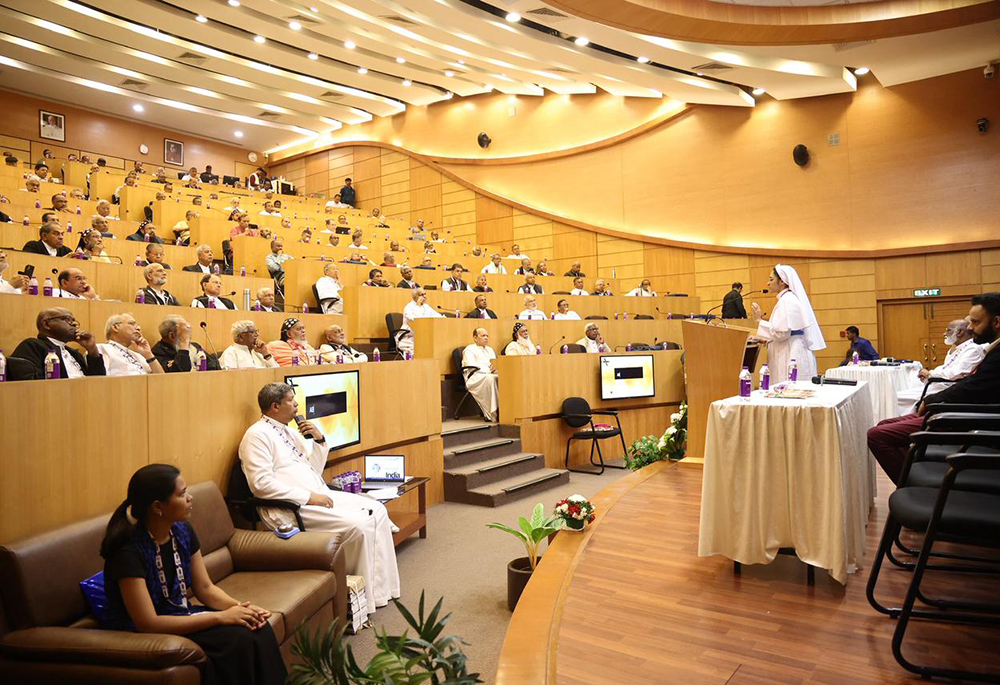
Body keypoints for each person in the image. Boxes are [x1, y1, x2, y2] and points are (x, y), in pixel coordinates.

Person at [100, 464, 286, 685]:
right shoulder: (128, 552)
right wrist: (219, 617)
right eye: (182, 494)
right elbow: (147, 623)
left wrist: (240, 608)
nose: (190, 498)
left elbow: (205, 589)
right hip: (144, 632)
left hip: (181, 614)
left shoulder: (182, 531)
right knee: (238, 640)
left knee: (257, 628)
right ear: (158, 506)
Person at [239, 383, 399, 609]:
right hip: (291, 507)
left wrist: (319, 441)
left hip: (318, 494)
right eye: (291, 400)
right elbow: (261, 485)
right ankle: (361, 598)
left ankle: (382, 590)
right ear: (275, 406)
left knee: (379, 510)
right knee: (360, 525)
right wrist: (308, 497)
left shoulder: (289, 431)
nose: (296, 404)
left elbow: (313, 469)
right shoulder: (256, 436)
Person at [868, 293, 1000, 484]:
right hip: (959, 411)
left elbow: (972, 388)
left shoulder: (995, 354)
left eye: (976, 322)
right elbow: (972, 384)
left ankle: (914, 486)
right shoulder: (992, 350)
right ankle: (918, 476)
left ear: (996, 322)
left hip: (967, 419)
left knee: (877, 436)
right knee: (882, 426)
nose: (970, 327)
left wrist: (932, 401)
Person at [751, 264, 825, 382]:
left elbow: (782, 334)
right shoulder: (787, 299)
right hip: (791, 348)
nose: (767, 283)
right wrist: (766, 338)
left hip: (790, 353)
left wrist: (759, 321)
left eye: (771, 279)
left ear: (782, 282)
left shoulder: (787, 301)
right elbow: (784, 331)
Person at [895, 318, 985, 413]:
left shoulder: (973, 349)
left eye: (948, 330)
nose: (944, 334)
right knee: (903, 389)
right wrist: (928, 375)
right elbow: (945, 368)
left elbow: (957, 373)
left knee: (896, 398)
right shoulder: (957, 348)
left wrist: (930, 374)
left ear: (959, 332)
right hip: (939, 385)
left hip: (948, 390)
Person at [13, 307, 106, 378]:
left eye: (74, 321)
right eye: (67, 319)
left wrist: (92, 349)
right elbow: (31, 385)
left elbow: (98, 382)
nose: (73, 324)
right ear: (46, 324)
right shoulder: (32, 346)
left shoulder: (74, 353)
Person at [98, 313, 164, 375]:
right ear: (115, 327)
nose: (139, 328)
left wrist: (149, 355)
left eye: (138, 325)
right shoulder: (101, 349)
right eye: (132, 324)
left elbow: (161, 380)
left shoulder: (138, 356)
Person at [463, 328, 499, 421]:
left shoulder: (490, 350)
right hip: (474, 376)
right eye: (483, 336)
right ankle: (492, 412)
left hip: (488, 374)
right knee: (490, 379)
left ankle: (503, 409)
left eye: (487, 336)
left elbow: (494, 364)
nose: (486, 338)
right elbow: (471, 366)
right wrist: (489, 370)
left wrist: (495, 368)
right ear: (475, 338)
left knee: (500, 377)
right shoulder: (469, 350)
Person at [398, 288, 443, 355]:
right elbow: (418, 320)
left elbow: (437, 315)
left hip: (425, 336)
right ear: (415, 296)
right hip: (409, 337)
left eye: (425, 294)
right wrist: (418, 304)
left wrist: (444, 318)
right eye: (422, 294)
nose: (425, 296)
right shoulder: (408, 307)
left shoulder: (426, 306)